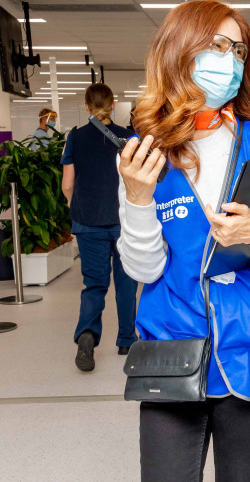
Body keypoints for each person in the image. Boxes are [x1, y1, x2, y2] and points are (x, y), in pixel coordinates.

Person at [117, 0, 250, 481]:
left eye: (238, 49)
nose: (229, 60)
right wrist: (138, 199)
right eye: (215, 45)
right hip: (173, 347)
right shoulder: (142, 154)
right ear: (177, 51)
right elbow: (143, 270)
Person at [61, 84, 139, 372]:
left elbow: (67, 184)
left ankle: (87, 336)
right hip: (124, 222)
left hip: (87, 221)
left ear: (86, 106)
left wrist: (77, 207)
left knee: (94, 284)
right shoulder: (129, 138)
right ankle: (127, 340)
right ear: (113, 103)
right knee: (127, 282)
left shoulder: (75, 138)